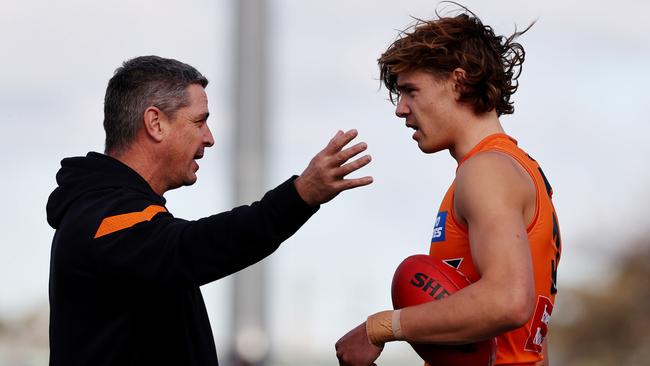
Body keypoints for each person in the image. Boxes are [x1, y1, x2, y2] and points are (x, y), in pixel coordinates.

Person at [46, 55, 373, 366]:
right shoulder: (102, 218)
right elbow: (193, 248)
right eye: (199, 121)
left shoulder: (116, 213)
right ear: (155, 123)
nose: (210, 138)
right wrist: (300, 195)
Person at [335, 5, 561, 366]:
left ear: (459, 80)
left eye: (411, 91)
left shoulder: (486, 171)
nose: (401, 108)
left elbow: (509, 300)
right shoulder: (517, 168)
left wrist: (379, 328)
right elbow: (530, 340)